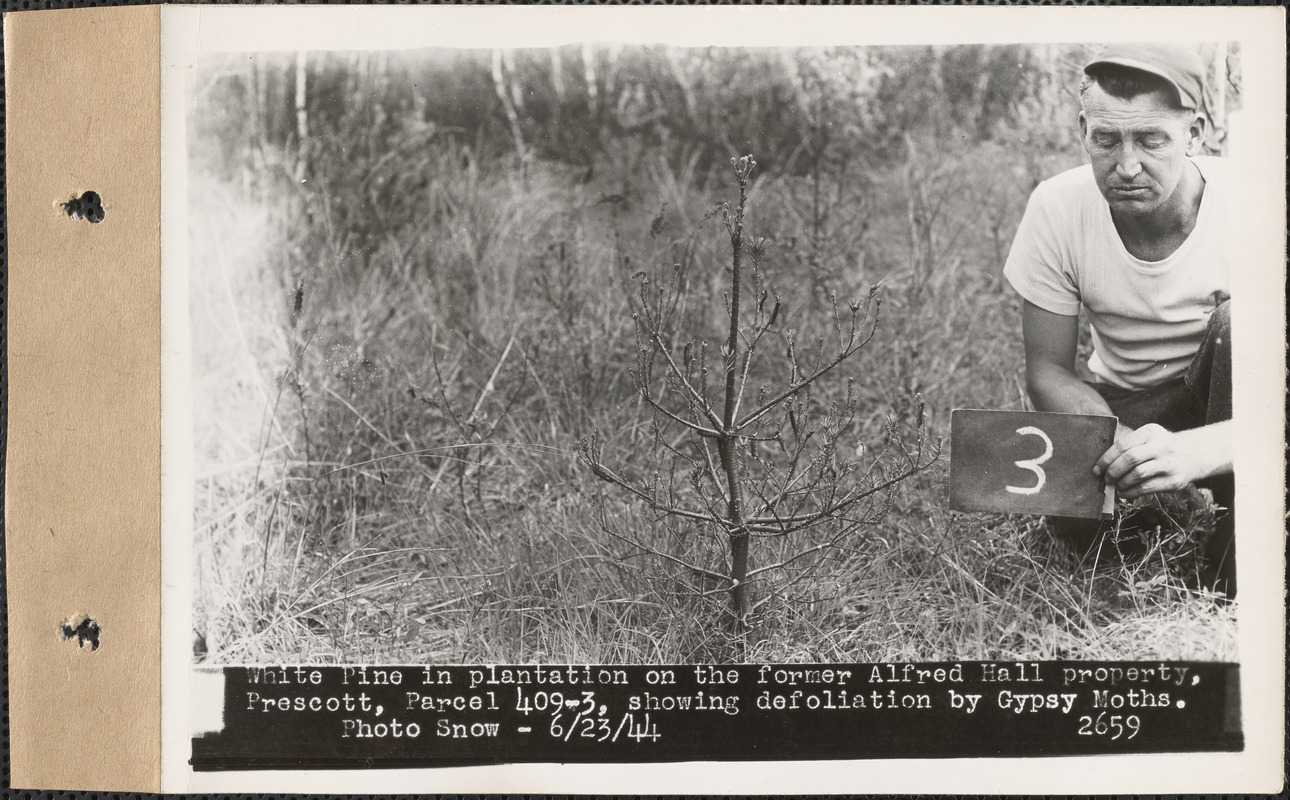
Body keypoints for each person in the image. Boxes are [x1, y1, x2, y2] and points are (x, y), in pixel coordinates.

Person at [1003, 42, 1234, 596]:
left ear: (1194, 134)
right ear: (1084, 130)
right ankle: (1166, 508)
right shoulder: (1057, 206)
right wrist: (1119, 443)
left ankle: (1229, 551)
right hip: (1125, 400)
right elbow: (1049, 371)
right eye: (1107, 140)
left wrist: (1199, 452)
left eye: (1152, 139)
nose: (1126, 166)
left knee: (1239, 324)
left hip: (1230, 396)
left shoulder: (1253, 201)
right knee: (1077, 525)